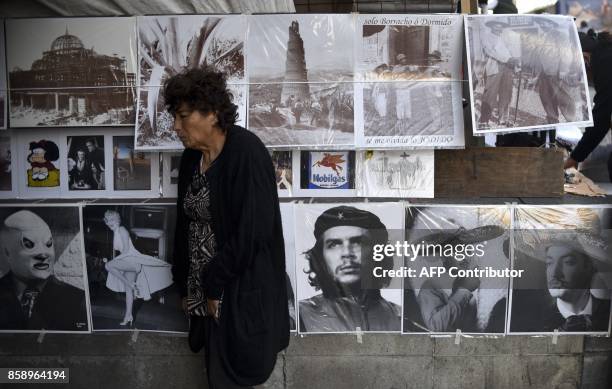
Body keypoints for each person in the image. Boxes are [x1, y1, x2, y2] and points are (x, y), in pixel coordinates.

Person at [166, 66, 289, 388]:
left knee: (232, 374)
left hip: (234, 290)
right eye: (174, 117)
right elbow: (185, 223)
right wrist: (184, 283)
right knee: (215, 372)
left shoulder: (246, 152)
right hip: (203, 290)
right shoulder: (192, 158)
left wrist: (215, 286)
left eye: (182, 116)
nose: (175, 126)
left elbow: (253, 232)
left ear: (212, 113)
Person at [298, 205, 401, 333]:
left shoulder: (400, 317)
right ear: (321, 256)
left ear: (378, 252)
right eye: (334, 244)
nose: (347, 253)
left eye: (359, 242)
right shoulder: (299, 316)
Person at [512, 222, 611, 332]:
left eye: (568, 262)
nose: (554, 274)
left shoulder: (607, 312)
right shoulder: (528, 319)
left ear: (589, 267)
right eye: (549, 263)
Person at [0, 210, 87, 331]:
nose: (43, 254)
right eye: (29, 244)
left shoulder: (78, 299)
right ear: (7, 252)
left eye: (48, 244)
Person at [414, 224, 505, 333]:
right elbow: (435, 327)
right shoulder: (430, 287)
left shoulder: (473, 280)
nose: (463, 256)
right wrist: (464, 290)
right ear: (444, 256)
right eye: (456, 250)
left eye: (467, 249)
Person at [102, 210, 173, 327]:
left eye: (112, 220)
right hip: (127, 262)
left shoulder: (122, 230)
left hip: (132, 261)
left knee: (108, 265)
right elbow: (121, 253)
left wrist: (114, 262)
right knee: (128, 290)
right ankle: (128, 316)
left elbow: (125, 251)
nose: (110, 222)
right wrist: (117, 262)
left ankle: (129, 285)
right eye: (108, 220)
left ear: (118, 220)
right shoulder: (115, 233)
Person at [564, 31, 612, 181]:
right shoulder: (604, 54)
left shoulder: (605, 61)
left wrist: (574, 158)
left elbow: (600, 119)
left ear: (585, 59)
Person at [534, 17, 578, 125]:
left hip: (557, 72)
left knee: (563, 97)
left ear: (552, 24)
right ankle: (552, 119)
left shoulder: (560, 35)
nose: (543, 25)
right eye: (541, 23)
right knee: (546, 96)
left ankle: (570, 120)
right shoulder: (541, 37)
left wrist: (563, 70)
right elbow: (539, 55)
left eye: (545, 22)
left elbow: (566, 54)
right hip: (544, 72)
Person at [479, 20, 519, 127]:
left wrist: (515, 62)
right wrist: (507, 59)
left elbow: (510, 52)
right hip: (494, 68)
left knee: (506, 94)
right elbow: (490, 51)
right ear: (491, 26)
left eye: (501, 25)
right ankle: (484, 120)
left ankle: (503, 119)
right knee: (490, 94)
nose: (499, 26)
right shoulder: (486, 37)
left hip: (507, 68)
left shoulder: (504, 38)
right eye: (496, 24)